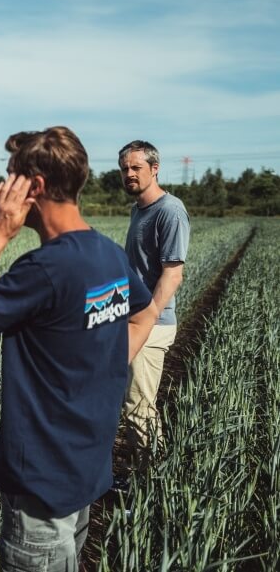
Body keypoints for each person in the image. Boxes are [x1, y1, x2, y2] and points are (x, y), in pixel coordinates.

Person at [0, 126, 157, 571]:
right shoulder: (107, 253)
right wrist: (105, 367)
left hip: (41, 480)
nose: (0, 190)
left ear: (34, 187)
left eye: (8, 179)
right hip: (85, 470)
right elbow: (143, 313)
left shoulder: (46, 267)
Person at [118, 140, 190, 467]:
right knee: (131, 403)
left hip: (152, 324)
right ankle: (143, 474)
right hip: (132, 320)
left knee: (138, 406)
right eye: (124, 168)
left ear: (154, 168)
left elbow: (172, 275)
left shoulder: (169, 210)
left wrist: (145, 320)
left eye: (136, 167)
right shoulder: (138, 210)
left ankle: (155, 484)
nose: (129, 174)